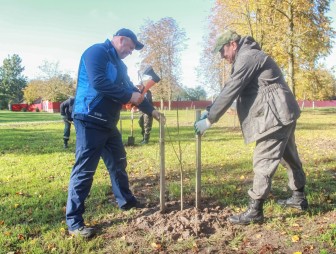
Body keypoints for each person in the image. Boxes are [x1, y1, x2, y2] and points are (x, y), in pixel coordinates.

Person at [194, 29, 308, 225]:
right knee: (289, 156)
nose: (222, 56)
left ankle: (255, 210)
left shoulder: (247, 56)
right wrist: (210, 110)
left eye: (222, 51)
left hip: (274, 116)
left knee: (263, 159)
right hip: (282, 111)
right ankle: (298, 198)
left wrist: (210, 119)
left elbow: (232, 88)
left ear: (233, 44)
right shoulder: (249, 56)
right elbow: (232, 90)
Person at [66, 28, 164, 238]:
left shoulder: (120, 65)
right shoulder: (96, 52)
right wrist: (129, 95)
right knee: (84, 170)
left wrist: (152, 111)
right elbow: (99, 83)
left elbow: (133, 91)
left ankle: (126, 202)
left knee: (119, 162)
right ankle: (74, 222)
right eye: (129, 47)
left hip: (109, 123)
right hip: (89, 118)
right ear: (121, 40)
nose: (130, 52)